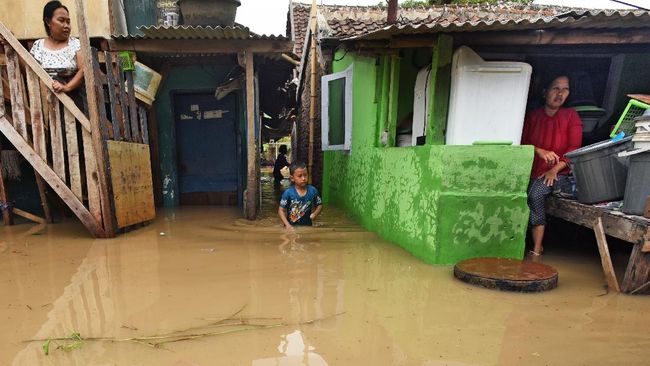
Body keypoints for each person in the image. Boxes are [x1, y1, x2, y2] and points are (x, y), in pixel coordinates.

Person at [521, 75, 583, 260]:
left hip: (559, 174)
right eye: (556, 88)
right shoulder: (533, 117)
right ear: (544, 92)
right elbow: (522, 143)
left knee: (536, 194)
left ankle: (537, 249)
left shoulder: (571, 115)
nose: (560, 93)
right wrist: (539, 150)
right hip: (531, 172)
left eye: (565, 89)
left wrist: (554, 169)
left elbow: (574, 149)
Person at [29, 1, 84, 95]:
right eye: (61, 20)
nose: (66, 26)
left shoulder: (75, 44)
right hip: (45, 100)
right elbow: (29, 69)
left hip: (71, 100)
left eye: (68, 22)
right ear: (48, 22)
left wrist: (66, 87)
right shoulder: (38, 45)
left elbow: (83, 69)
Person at [278, 162, 322, 229]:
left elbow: (319, 205)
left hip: (307, 227)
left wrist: (315, 214)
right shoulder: (288, 193)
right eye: (300, 176)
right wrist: (287, 225)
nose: (303, 178)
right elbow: (281, 210)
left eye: (305, 175)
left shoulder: (313, 191)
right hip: (291, 227)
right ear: (292, 178)